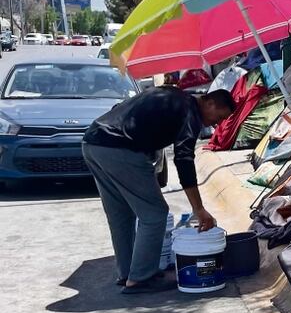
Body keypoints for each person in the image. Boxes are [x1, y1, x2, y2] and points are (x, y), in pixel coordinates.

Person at [81, 87, 236, 294]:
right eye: (219, 117)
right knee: (154, 214)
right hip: (121, 149)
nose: (216, 124)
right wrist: (198, 208)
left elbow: (121, 109)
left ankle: (128, 273)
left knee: (121, 214)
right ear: (209, 103)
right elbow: (184, 159)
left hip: (93, 142)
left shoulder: (171, 94)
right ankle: (141, 278)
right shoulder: (190, 112)